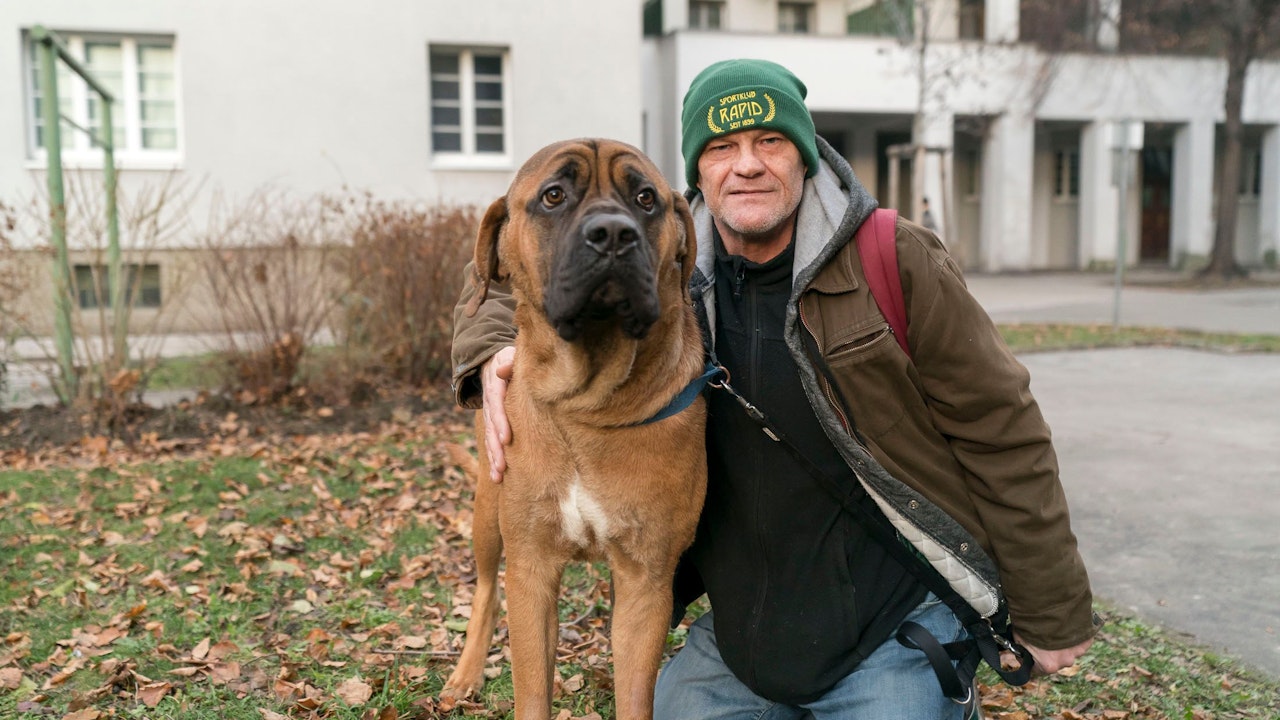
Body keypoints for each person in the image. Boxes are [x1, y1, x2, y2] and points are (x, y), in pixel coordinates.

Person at [450, 58, 1097, 719]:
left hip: (889, 619)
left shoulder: (894, 257)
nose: (748, 165)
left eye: (770, 141)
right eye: (721, 148)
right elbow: (518, 267)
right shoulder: (675, 258)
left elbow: (1002, 428)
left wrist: (1052, 610)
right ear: (699, 173)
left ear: (806, 156)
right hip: (749, 632)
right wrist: (489, 352)